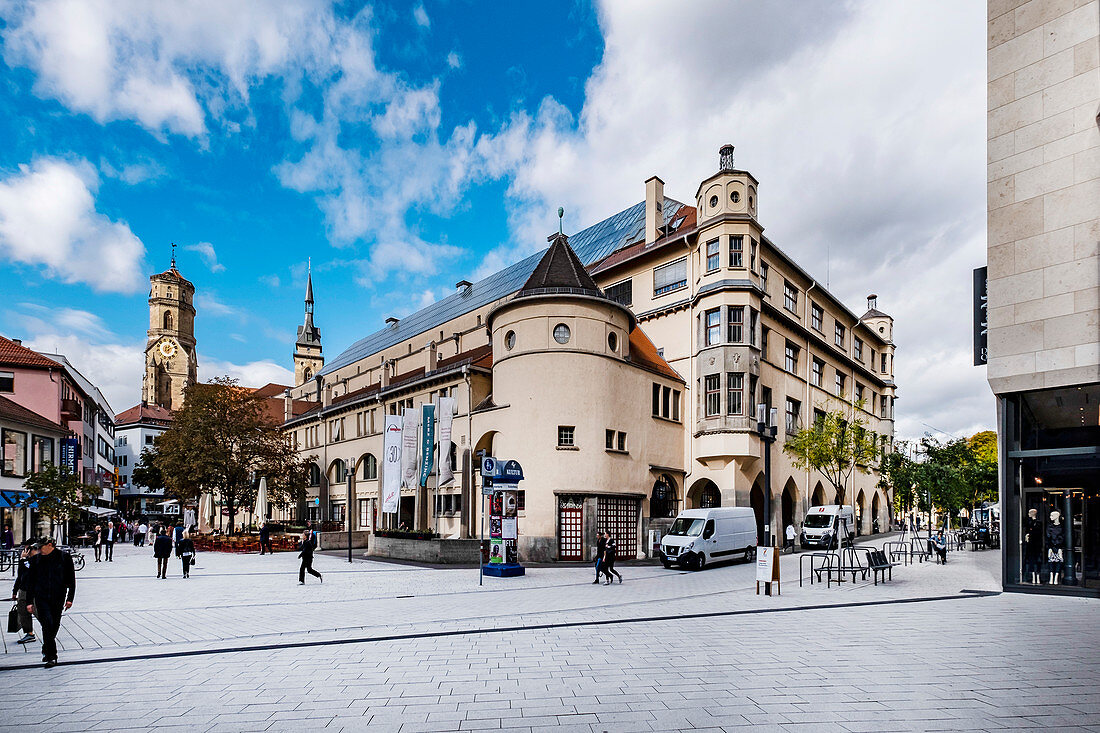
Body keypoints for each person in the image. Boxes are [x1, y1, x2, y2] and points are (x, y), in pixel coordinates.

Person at [25, 537, 76, 668]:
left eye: (40, 547)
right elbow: (30, 582)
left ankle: (46, 648)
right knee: (47, 624)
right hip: (41, 597)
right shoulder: (35, 560)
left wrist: (70, 598)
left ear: (49, 545)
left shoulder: (64, 558)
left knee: (55, 624)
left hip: (58, 597)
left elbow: (71, 580)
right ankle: (52, 656)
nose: (38, 550)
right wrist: (29, 602)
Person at [10, 541, 38, 645]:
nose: (27, 551)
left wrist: (23, 560)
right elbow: (20, 576)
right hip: (23, 590)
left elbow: (30, 572)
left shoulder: (37, 561)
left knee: (38, 612)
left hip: (34, 591)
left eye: (29, 549)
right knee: (23, 613)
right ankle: (29, 633)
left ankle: (49, 630)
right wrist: (15, 591)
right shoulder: (25, 561)